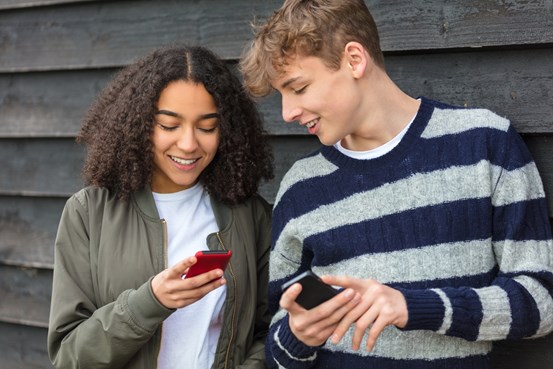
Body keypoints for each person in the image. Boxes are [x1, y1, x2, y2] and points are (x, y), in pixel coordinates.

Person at [239, 1, 553, 368]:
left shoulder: (484, 144)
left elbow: (540, 303)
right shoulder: (300, 188)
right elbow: (278, 345)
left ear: (354, 59)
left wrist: (413, 307)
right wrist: (299, 334)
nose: (287, 113)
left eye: (299, 88)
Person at [48, 45, 274, 369]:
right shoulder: (88, 213)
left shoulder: (250, 216)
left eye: (207, 127)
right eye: (169, 125)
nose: (188, 143)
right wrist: (150, 301)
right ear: (140, 125)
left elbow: (269, 332)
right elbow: (69, 356)